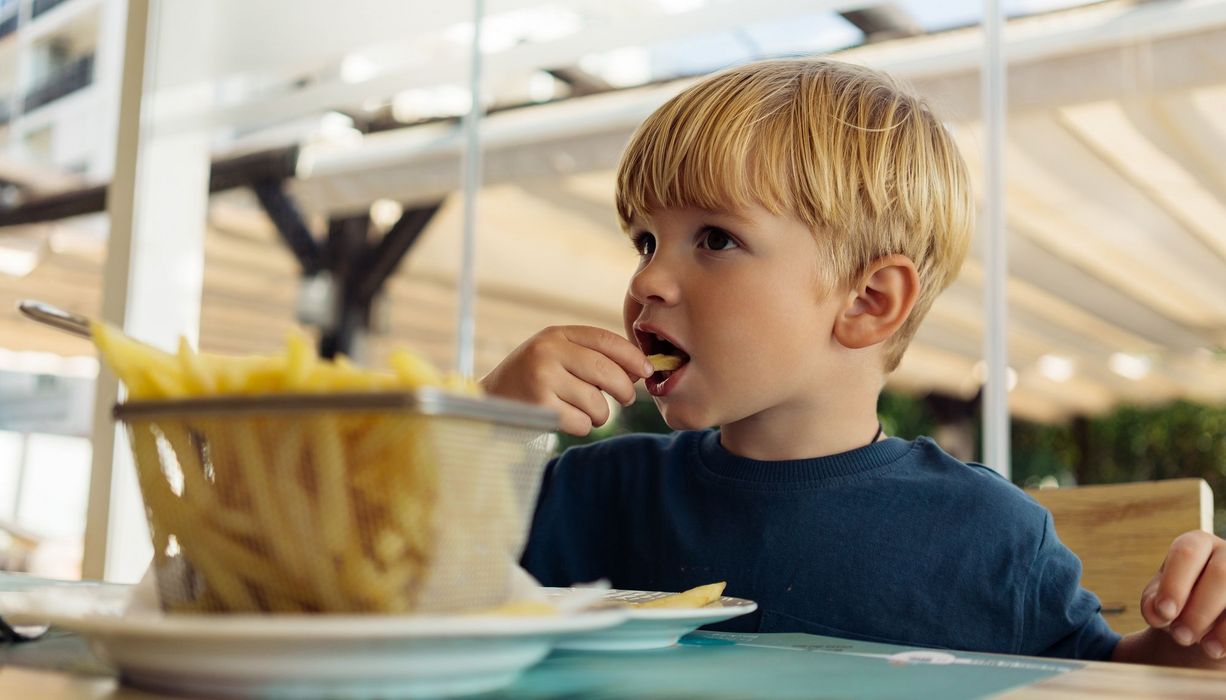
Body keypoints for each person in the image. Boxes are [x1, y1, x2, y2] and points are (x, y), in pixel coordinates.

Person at [481, 58, 1226, 668]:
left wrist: (1196, 639)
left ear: (868, 301)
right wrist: (480, 427)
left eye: (714, 238)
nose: (646, 279)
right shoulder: (584, 494)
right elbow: (416, 584)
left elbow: (1110, 679)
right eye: (645, 241)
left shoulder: (986, 536)